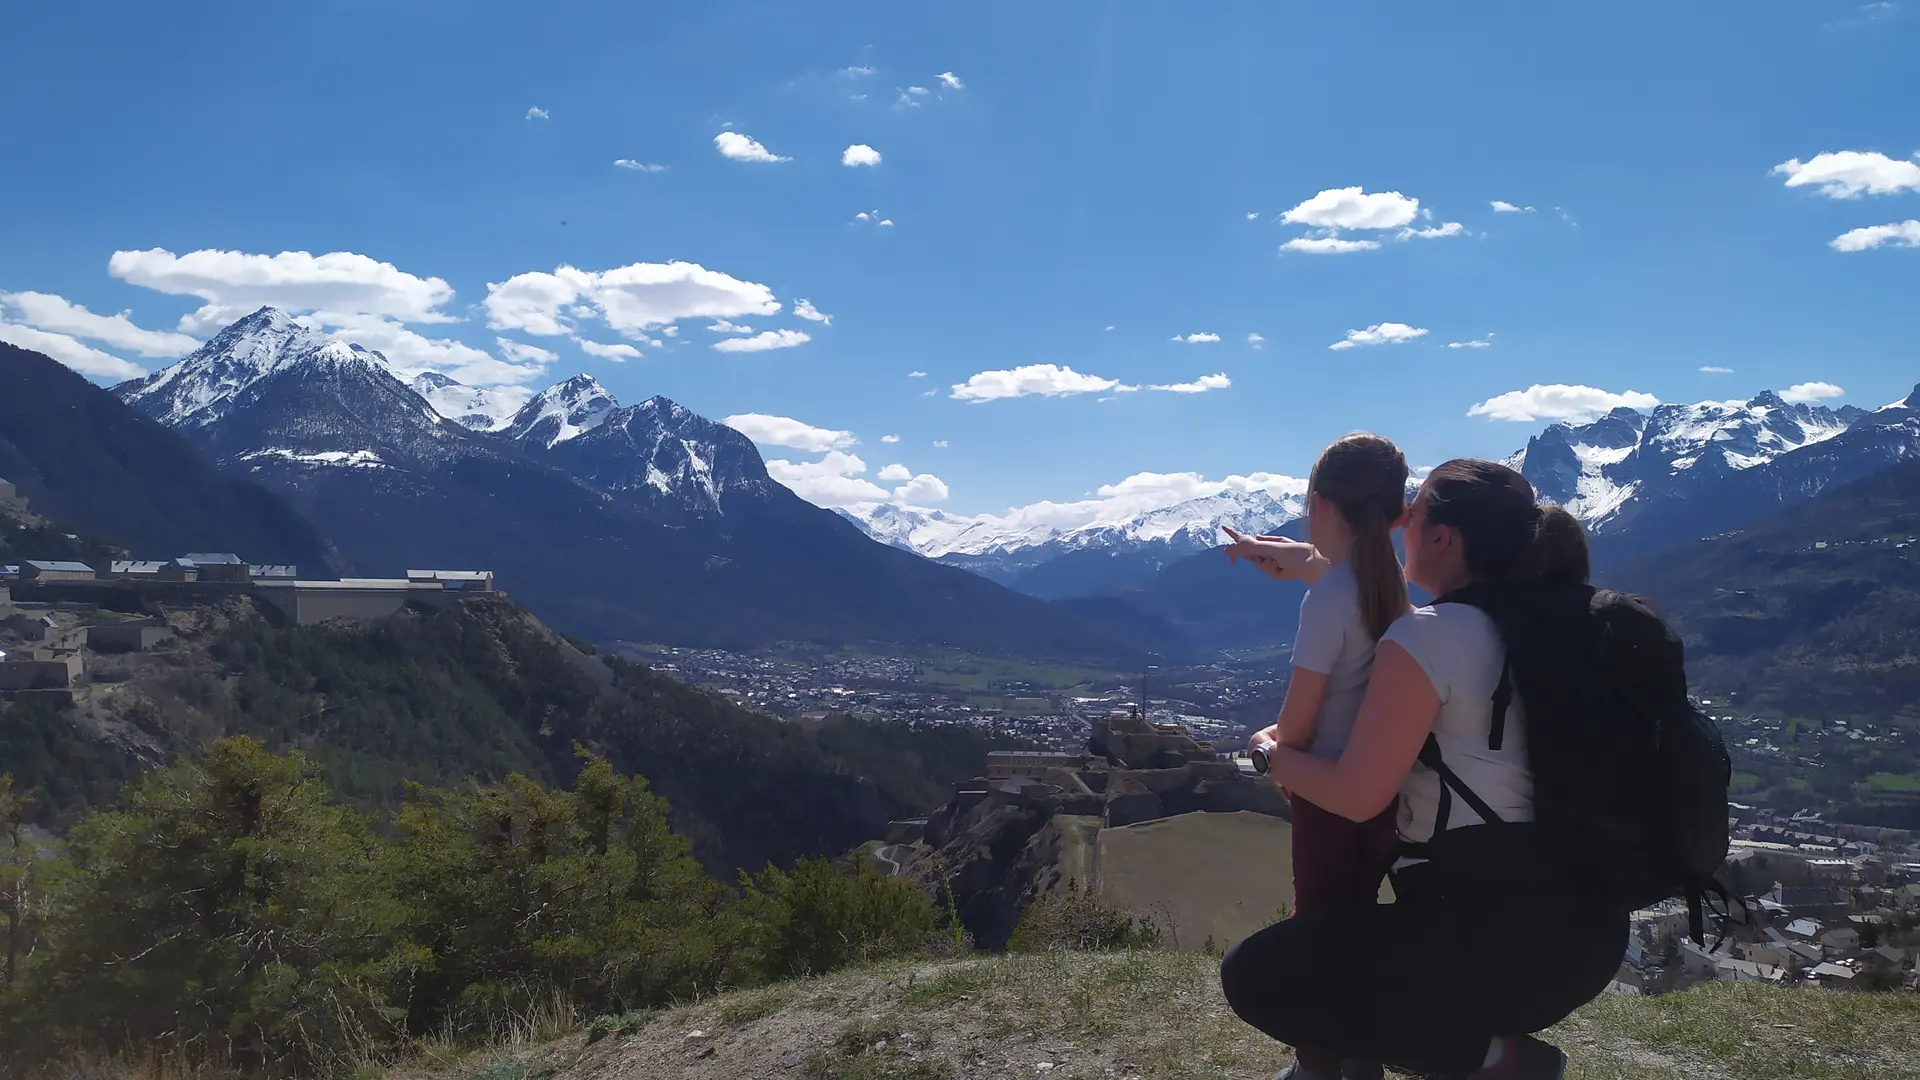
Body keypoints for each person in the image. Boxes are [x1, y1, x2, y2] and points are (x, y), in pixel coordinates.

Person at [1218, 460, 1627, 1080]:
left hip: (1489, 937)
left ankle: (1502, 1060)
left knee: (1258, 975)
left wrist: (1268, 753)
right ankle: (1477, 1040)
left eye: (1413, 513)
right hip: (1586, 937)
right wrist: (1304, 561)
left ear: (1442, 539)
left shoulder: (1429, 636)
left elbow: (1356, 796)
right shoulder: (1556, 621)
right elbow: (1369, 588)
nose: (1401, 523)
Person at [1228, 433, 1410, 1080]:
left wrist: (1267, 747)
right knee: (1355, 924)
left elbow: (1299, 721)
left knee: (1318, 932)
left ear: (1320, 505)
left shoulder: (1328, 600)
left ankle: (1318, 1066)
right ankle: (1360, 1058)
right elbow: (1337, 571)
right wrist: (1296, 559)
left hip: (1326, 795)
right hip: (1381, 789)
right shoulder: (1391, 587)